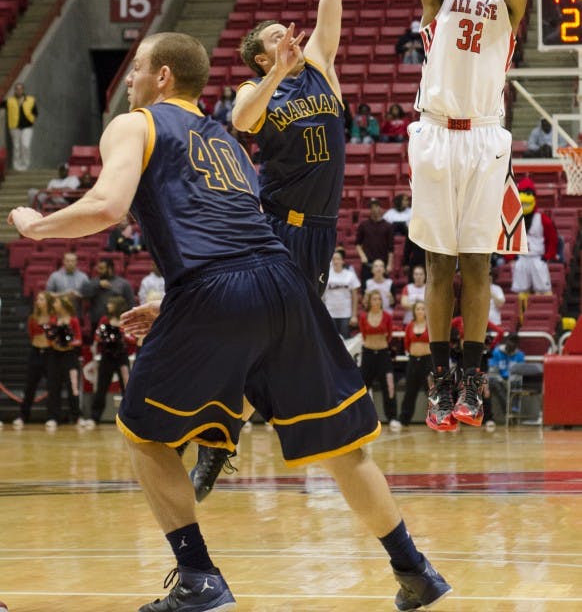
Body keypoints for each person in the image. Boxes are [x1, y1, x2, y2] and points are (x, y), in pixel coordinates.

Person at [8, 31, 451, 612]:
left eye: (138, 68)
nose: (132, 79)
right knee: (345, 449)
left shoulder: (138, 124)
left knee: (143, 434)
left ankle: (197, 577)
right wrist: (173, 302)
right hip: (282, 281)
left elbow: (108, 207)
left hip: (215, 288)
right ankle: (413, 569)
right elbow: (234, 233)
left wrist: (35, 224)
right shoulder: (230, 141)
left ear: (162, 76)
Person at [190, 0, 362, 500]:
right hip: (273, 223)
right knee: (251, 327)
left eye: (284, 32)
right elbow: (241, 124)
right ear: (260, 58)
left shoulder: (322, 64)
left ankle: (293, 421)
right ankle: (217, 442)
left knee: (288, 331)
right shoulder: (254, 91)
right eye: (271, 38)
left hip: (319, 231)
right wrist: (278, 74)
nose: (285, 35)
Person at [409, 0, 528, 432]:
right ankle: (439, 378)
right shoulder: (439, 2)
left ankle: (474, 379)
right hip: (435, 133)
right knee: (438, 264)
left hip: (484, 139)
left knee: (477, 262)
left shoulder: (506, 8)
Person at [85, 295, 135, 428]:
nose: (108, 305)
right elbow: (97, 336)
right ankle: (94, 417)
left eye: (111, 303)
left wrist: (121, 334)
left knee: (127, 387)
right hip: (107, 357)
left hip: (121, 357)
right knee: (101, 387)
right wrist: (103, 338)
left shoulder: (125, 319)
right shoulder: (104, 319)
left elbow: (132, 339)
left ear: (117, 305)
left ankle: (130, 419)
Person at [13, 290, 54, 428]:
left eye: (42, 299)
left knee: (52, 386)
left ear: (48, 302)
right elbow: (31, 335)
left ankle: (52, 417)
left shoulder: (54, 317)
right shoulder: (32, 318)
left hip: (50, 353)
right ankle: (23, 416)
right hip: (35, 352)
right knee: (30, 386)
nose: (38, 302)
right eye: (38, 299)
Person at [359, 290, 399, 429]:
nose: (377, 301)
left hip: (383, 355)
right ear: (369, 301)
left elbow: (389, 336)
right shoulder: (363, 317)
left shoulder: (387, 316)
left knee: (389, 386)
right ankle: (360, 419)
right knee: (362, 387)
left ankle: (393, 417)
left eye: (379, 299)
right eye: (374, 299)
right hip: (368, 355)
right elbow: (364, 335)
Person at [510, 177, 558, 295]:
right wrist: (511, 257)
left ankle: (544, 313)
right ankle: (521, 314)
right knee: (521, 293)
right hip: (521, 259)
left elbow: (552, 240)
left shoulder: (543, 219)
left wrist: (547, 256)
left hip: (537, 258)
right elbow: (508, 238)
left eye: (527, 193)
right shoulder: (514, 219)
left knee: (543, 292)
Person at [44, 293, 84, 429]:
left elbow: (79, 339)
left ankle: (77, 416)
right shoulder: (53, 320)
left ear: (63, 305)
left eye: (56, 303)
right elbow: (48, 338)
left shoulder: (73, 320)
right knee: (53, 386)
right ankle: (53, 417)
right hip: (54, 356)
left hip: (70, 357)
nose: (53, 305)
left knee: (73, 387)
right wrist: (54, 342)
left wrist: (69, 343)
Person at [398, 301, 432, 429]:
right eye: (418, 308)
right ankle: (404, 420)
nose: (420, 311)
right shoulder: (410, 326)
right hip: (413, 361)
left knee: (431, 392)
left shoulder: (430, 325)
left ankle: (437, 420)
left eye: (423, 308)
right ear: (414, 311)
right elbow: (406, 344)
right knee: (410, 392)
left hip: (428, 362)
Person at [81, 257, 135, 336]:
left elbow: (130, 303)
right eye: (98, 268)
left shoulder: (123, 284)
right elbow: (84, 294)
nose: (98, 271)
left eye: (101, 268)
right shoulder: (94, 282)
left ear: (110, 269)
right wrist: (98, 285)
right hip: (96, 322)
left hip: (117, 323)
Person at [355, 198, 394, 288]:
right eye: (372, 207)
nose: (374, 209)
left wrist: (389, 264)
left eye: (376, 206)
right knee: (366, 289)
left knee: (384, 288)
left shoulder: (388, 226)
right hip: (368, 263)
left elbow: (391, 248)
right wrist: (362, 256)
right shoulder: (363, 225)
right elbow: (357, 244)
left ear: (380, 208)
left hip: (382, 263)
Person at [323, 249, 360, 338]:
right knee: (330, 341)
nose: (336, 261)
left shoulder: (350, 275)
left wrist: (354, 315)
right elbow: (321, 295)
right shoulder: (326, 275)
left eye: (338, 259)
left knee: (346, 342)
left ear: (343, 261)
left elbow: (355, 296)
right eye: (334, 259)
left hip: (345, 314)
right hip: (330, 313)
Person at [3, 81, 38, 171]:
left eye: (20, 89)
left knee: (25, 145)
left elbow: (35, 112)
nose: (19, 91)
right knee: (17, 146)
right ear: (15, 90)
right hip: (14, 127)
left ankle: (25, 165)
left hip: (27, 127)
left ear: (23, 90)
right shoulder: (9, 101)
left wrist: (32, 119)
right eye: (17, 89)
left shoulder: (30, 100)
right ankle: (16, 166)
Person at [46, 251, 88, 317]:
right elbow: (48, 295)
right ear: (63, 261)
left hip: (77, 314)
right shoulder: (55, 276)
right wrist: (63, 294)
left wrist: (78, 295)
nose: (70, 263)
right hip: (58, 314)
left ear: (76, 262)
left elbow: (88, 296)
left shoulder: (83, 277)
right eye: (67, 261)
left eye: (72, 261)